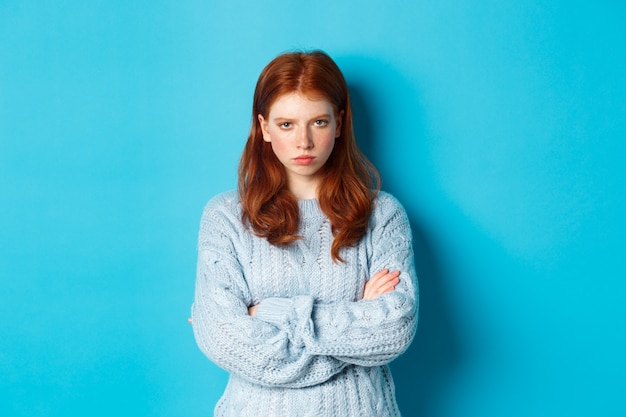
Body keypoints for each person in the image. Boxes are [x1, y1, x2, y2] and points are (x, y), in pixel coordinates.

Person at [191, 50, 418, 417]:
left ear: (339, 123)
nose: (304, 142)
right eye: (286, 124)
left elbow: (395, 329)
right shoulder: (225, 217)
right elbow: (224, 338)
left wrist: (271, 312)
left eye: (318, 122)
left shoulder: (383, 215)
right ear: (263, 127)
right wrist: (356, 320)